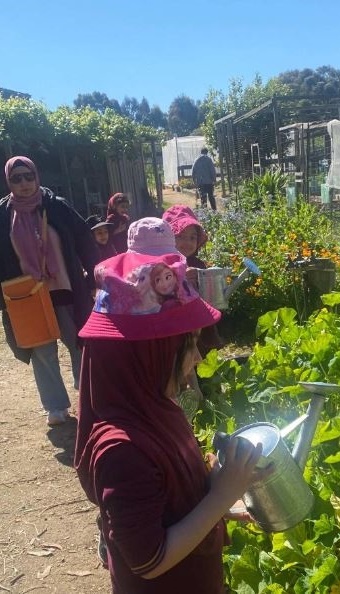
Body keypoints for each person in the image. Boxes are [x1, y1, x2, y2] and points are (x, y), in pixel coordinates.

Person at [74, 247, 267, 594]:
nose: (197, 356)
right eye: (188, 345)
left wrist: (214, 490)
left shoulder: (158, 409)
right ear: (146, 355)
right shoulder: (122, 451)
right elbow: (149, 560)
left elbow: (169, 501)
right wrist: (220, 497)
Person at [0, 156, 99, 426]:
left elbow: (84, 239)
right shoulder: (3, 214)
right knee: (42, 352)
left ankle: (89, 397)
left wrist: (96, 275)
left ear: (36, 176)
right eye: (16, 178)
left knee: (78, 341)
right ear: (9, 182)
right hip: (28, 296)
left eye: (28, 176)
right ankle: (55, 407)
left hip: (64, 288)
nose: (24, 183)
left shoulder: (56, 206)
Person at [163, 204, 224, 355]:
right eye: (180, 236)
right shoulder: (162, 265)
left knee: (203, 356)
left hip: (200, 325)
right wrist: (180, 279)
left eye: (192, 237)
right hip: (176, 328)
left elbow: (208, 297)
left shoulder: (197, 264)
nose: (187, 243)